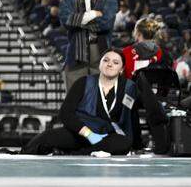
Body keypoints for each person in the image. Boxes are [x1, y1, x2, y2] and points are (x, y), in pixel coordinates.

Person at [20, 49, 166, 155]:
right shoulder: (83, 82)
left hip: (107, 136)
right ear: (100, 64)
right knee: (45, 138)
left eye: (115, 62)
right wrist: (88, 134)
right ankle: (79, 150)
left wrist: (139, 143)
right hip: (81, 132)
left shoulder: (129, 87)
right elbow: (66, 113)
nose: (110, 64)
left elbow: (141, 112)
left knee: (124, 143)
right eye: (106, 60)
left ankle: (75, 154)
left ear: (121, 69)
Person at [58, 0, 117, 91]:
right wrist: (93, 14)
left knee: (101, 103)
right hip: (75, 55)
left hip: (101, 53)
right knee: (75, 103)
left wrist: (78, 20)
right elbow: (66, 21)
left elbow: (106, 23)